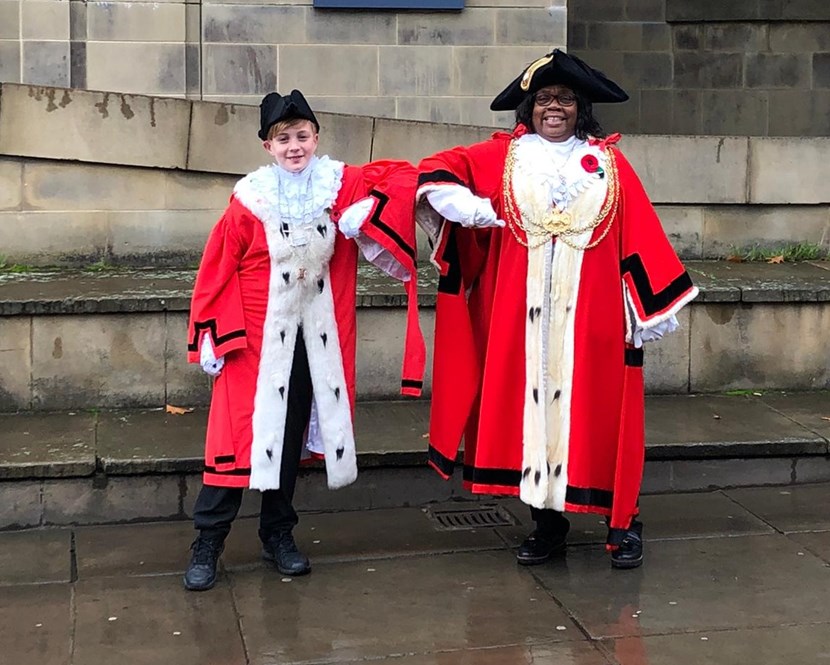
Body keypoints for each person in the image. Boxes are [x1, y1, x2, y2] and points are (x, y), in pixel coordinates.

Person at [415, 49, 697, 569]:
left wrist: (645, 307)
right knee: (532, 418)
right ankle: (547, 525)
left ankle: (624, 520)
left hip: (595, 318)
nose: (553, 107)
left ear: (580, 107)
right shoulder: (505, 158)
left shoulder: (609, 163)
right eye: (543, 98)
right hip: (521, 321)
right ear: (528, 108)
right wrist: (457, 201)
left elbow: (639, 232)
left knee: (603, 415)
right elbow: (438, 168)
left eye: (564, 99)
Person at [183, 89, 425, 591]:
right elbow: (217, 267)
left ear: (315, 137)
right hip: (250, 342)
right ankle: (208, 541)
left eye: (302, 135)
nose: (294, 146)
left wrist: (367, 213)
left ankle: (278, 535)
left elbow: (404, 176)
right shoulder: (248, 200)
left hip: (313, 342)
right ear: (268, 146)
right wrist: (210, 331)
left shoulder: (339, 184)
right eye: (283, 138)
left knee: (288, 442)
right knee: (233, 443)